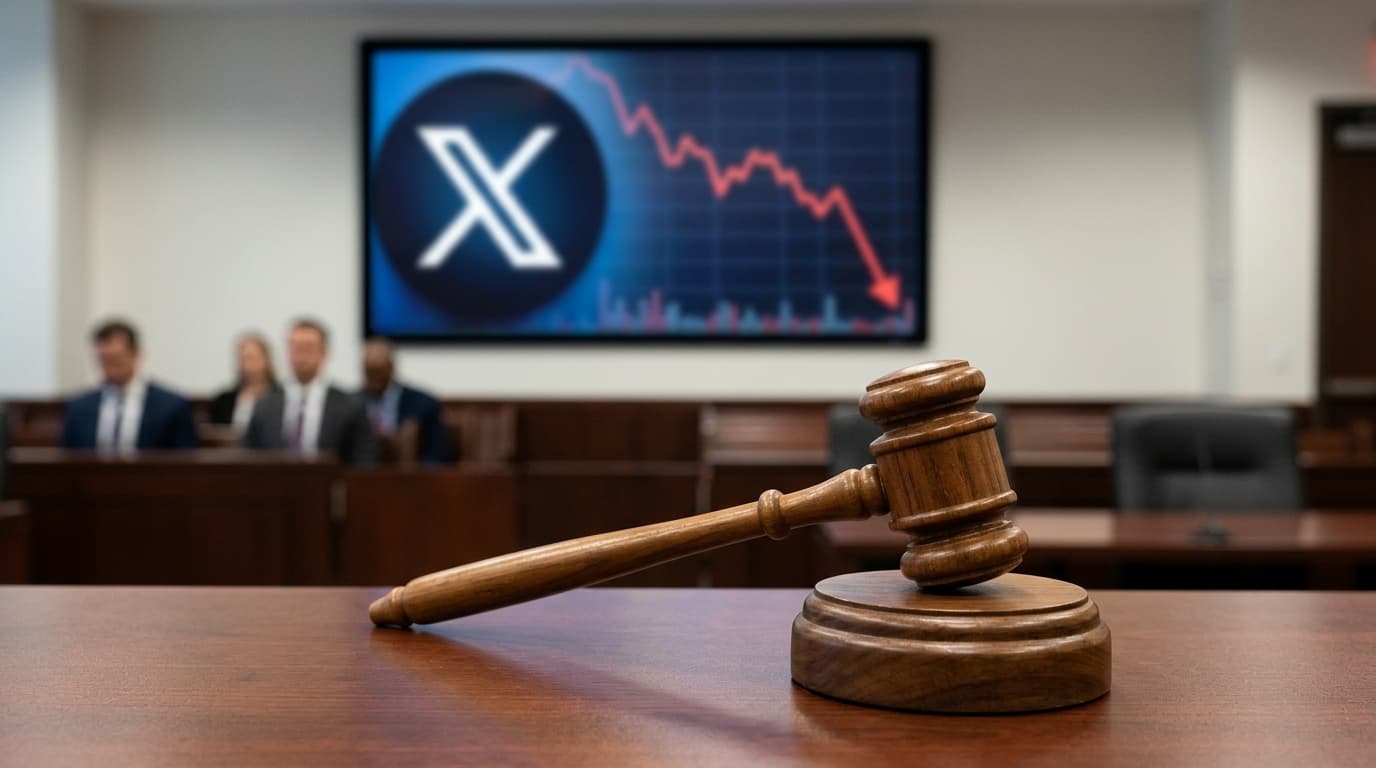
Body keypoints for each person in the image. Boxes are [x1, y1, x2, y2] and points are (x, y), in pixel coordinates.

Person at [243, 319, 375, 465]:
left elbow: (363, 463)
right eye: (296, 348)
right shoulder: (264, 405)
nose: (301, 357)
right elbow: (249, 459)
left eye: (308, 348)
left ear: (324, 353)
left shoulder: (350, 407)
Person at [59, 320, 198, 451]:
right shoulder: (79, 407)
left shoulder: (171, 406)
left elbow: (185, 461)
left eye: (115, 359)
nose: (109, 368)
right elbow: (66, 459)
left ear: (136, 355)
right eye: (103, 360)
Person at [361, 337, 451, 464]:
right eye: (369, 371)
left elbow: (437, 457)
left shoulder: (424, 404)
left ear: (391, 368)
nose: (374, 377)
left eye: (378, 370)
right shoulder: (351, 404)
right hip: (363, 478)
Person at [208, 333, 281, 438]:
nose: (248, 365)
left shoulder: (282, 397)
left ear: (267, 360)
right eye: (243, 359)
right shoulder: (223, 401)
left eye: (253, 358)